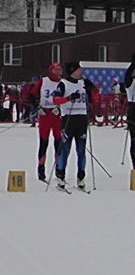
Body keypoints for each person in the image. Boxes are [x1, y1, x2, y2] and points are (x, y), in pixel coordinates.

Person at [51, 61, 99, 190]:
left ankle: (81, 177)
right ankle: (60, 176)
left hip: (81, 119)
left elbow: (95, 99)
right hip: (68, 119)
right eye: (78, 69)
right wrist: (69, 98)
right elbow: (55, 100)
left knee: (81, 151)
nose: (81, 71)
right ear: (72, 71)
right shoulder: (63, 83)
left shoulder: (83, 83)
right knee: (65, 150)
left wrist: (93, 89)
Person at [29, 63, 63, 181]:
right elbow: (32, 95)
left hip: (56, 115)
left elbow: (67, 98)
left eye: (59, 69)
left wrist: (60, 108)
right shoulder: (43, 81)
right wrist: (37, 107)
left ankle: (59, 168)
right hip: (45, 114)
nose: (58, 71)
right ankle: (41, 169)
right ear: (51, 70)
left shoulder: (62, 83)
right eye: (56, 69)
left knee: (58, 142)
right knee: (44, 142)